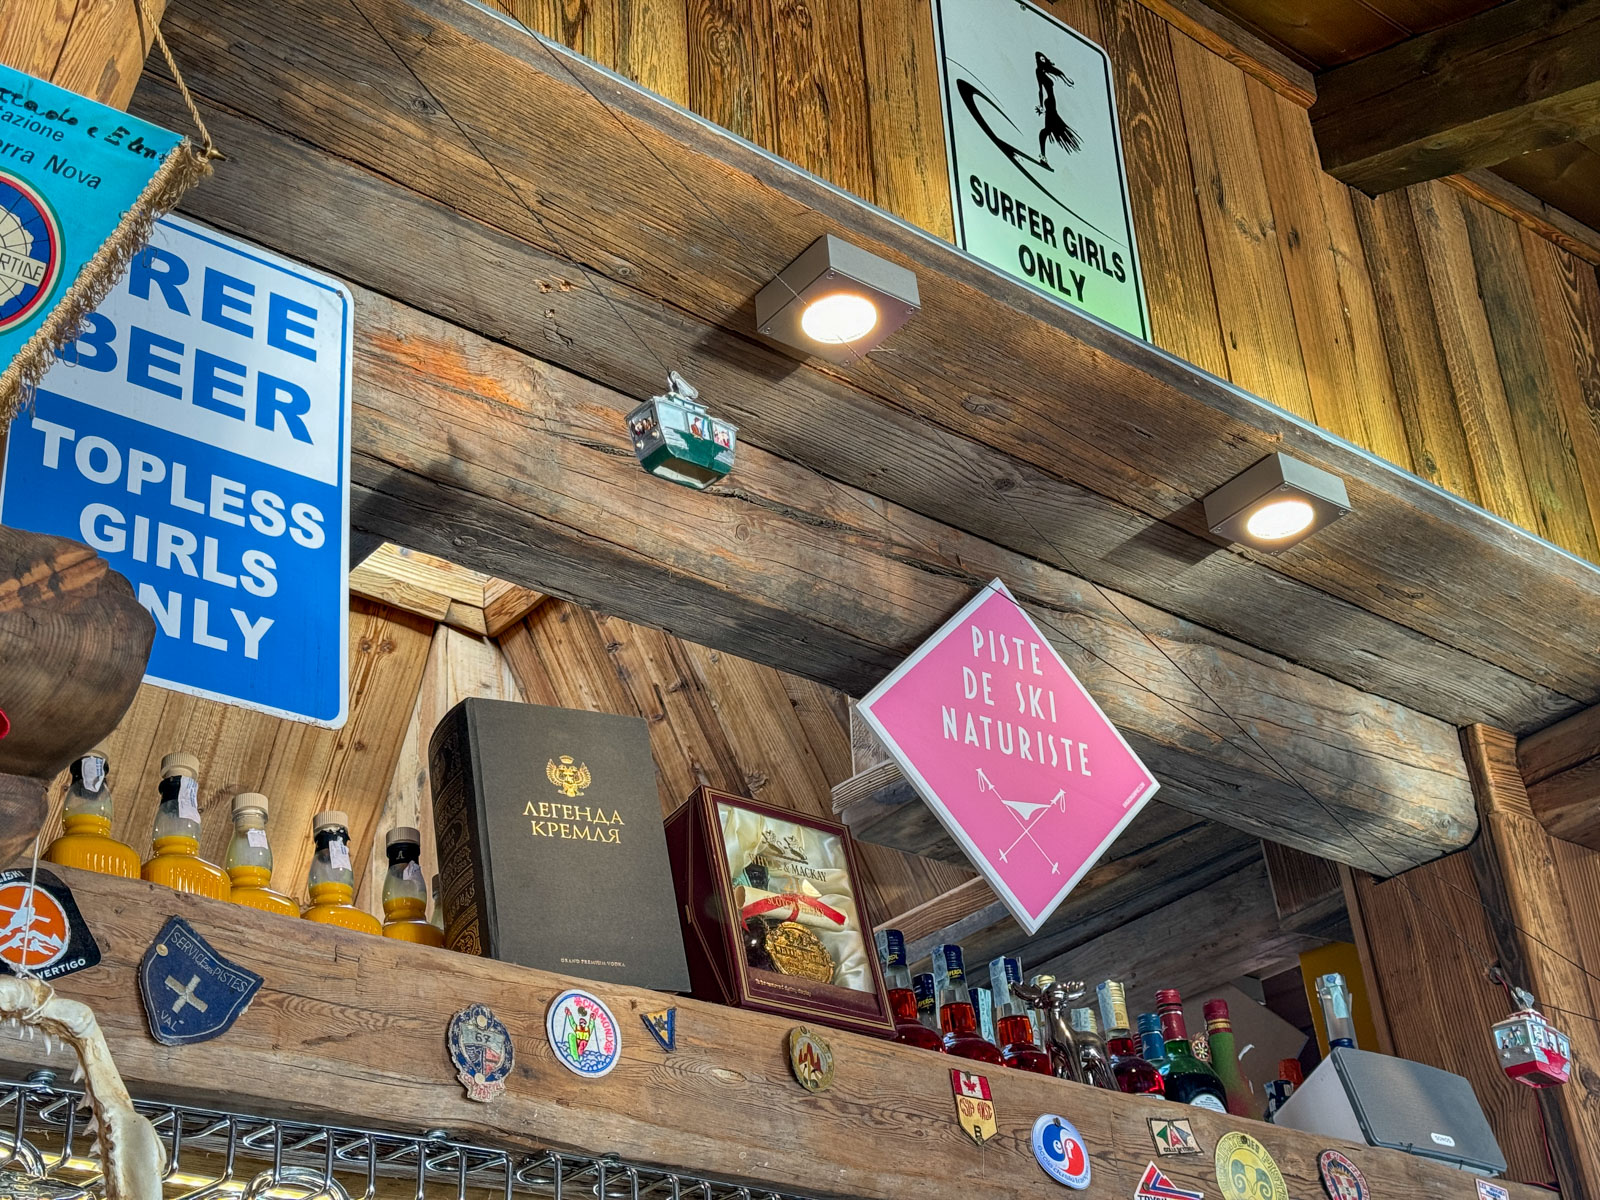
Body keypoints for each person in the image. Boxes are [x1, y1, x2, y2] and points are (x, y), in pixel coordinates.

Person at [1034, 51, 1081, 168]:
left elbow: (1058, 72)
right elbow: (1040, 90)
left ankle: (1043, 156)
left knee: (1051, 129)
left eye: (1043, 58)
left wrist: (1066, 79)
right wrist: (1041, 105)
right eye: (1040, 59)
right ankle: (1043, 156)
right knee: (1047, 130)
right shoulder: (1039, 71)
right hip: (1049, 103)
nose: (1043, 60)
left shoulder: (1048, 69)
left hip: (1053, 103)